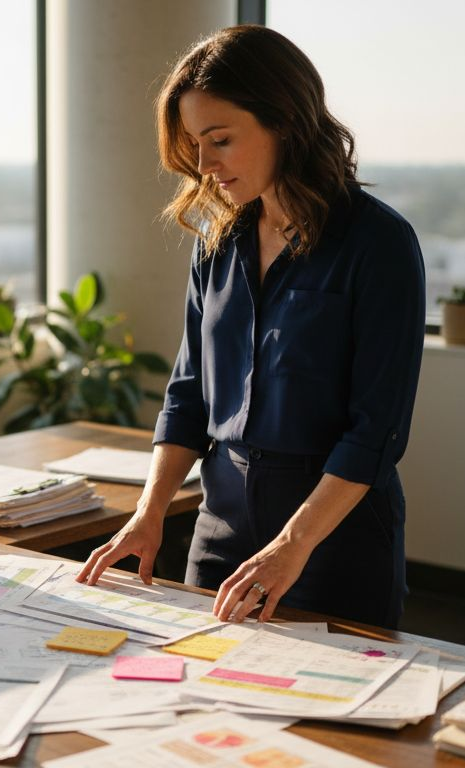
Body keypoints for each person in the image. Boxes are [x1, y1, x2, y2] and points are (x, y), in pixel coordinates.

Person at [76, 25, 425, 630]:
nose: (204, 165)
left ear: (284, 122)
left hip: (331, 538)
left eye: (220, 140)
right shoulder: (217, 243)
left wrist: (293, 544)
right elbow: (188, 395)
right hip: (222, 525)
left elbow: (376, 433)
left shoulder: (379, 244)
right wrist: (149, 512)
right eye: (195, 144)